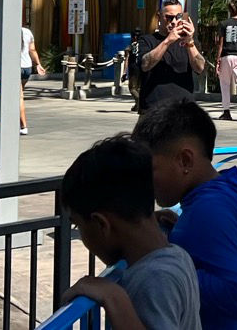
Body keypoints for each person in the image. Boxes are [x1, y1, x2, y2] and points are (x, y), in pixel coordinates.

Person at [134, 98, 237, 330]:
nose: (142, 180)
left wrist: (163, 255)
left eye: (148, 168)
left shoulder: (209, 211)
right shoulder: (236, 188)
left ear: (184, 160)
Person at [62, 134, 202, 330]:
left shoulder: (154, 278)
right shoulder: (177, 255)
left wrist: (113, 297)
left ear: (102, 224)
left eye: (78, 225)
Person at [137, 1, 206, 112]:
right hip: (154, 111)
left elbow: (200, 67)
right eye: (169, 17)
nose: (174, 22)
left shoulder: (189, 42)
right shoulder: (147, 40)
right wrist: (168, 40)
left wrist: (189, 41)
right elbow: (145, 65)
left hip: (184, 110)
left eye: (178, 17)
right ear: (159, 17)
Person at [18, 15, 42, 136]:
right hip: (26, 67)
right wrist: (37, 64)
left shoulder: (7, 30)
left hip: (15, 67)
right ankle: (19, 123)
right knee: (18, 94)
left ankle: (23, 125)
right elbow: (32, 50)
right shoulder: (28, 32)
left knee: (18, 96)